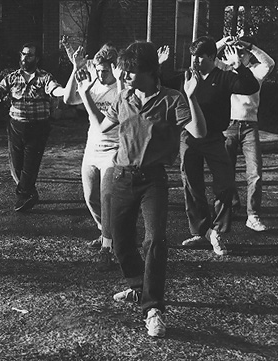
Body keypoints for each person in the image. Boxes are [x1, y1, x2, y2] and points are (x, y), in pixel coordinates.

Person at [76, 40, 207, 338]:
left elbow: (199, 132)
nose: (124, 77)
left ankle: (153, 309)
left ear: (149, 71)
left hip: (153, 181)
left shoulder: (172, 99)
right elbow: (101, 127)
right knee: (120, 242)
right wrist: (85, 96)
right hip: (121, 176)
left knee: (155, 241)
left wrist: (192, 96)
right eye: (124, 72)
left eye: (130, 72)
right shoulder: (124, 99)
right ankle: (137, 287)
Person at [180, 36, 260, 256]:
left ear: (212, 58)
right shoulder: (187, 77)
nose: (195, 61)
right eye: (193, 56)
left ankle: (217, 232)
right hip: (189, 138)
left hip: (215, 137)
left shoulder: (224, 77)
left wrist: (239, 66)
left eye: (200, 57)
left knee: (224, 184)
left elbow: (250, 86)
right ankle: (200, 231)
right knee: (191, 184)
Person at [0, 42, 66, 212]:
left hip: (38, 127)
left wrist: (65, 92)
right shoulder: (11, 78)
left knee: (30, 164)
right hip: (16, 126)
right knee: (17, 166)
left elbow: (55, 90)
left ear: (37, 58)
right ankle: (30, 192)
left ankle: (23, 197)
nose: (25, 58)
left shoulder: (44, 77)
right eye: (23, 54)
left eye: (30, 55)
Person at [62, 40, 122, 271]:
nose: (101, 75)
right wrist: (75, 67)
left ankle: (108, 245)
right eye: (98, 71)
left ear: (115, 68)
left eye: (105, 71)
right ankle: (104, 231)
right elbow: (69, 100)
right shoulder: (93, 84)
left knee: (107, 196)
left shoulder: (121, 88)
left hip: (114, 150)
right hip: (92, 149)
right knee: (90, 198)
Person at [217, 36, 275, 231]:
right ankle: (230, 206)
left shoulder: (255, 73)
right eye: (236, 52)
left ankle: (253, 215)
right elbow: (203, 57)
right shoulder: (224, 70)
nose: (239, 55)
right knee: (226, 170)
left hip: (250, 126)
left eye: (242, 53)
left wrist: (249, 45)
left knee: (255, 172)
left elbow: (269, 63)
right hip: (228, 125)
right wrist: (223, 42)